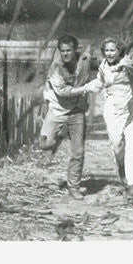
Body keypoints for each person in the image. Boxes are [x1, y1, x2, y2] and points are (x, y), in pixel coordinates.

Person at [38, 35, 97, 199]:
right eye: (62, 51)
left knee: (78, 151)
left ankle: (74, 187)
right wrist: (87, 88)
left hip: (77, 111)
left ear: (75, 50)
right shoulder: (56, 68)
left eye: (68, 50)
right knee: (44, 144)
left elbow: (99, 64)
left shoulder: (84, 59)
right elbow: (63, 92)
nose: (65, 54)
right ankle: (48, 160)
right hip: (57, 110)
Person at [89, 38, 133, 201]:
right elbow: (100, 82)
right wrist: (89, 87)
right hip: (113, 109)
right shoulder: (103, 66)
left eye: (113, 50)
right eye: (107, 50)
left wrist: (126, 65)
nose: (109, 53)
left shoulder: (128, 63)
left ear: (119, 51)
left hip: (131, 108)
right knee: (117, 145)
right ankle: (123, 174)